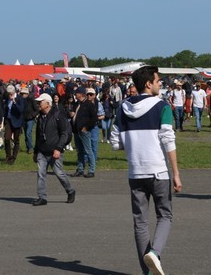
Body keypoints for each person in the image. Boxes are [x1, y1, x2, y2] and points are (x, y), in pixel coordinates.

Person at [109, 66, 182, 275]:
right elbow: (168, 140)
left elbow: (114, 143)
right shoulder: (162, 107)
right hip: (158, 171)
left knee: (140, 222)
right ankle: (155, 253)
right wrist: (176, 173)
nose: (160, 83)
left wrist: (133, 141)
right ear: (148, 83)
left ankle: (147, 271)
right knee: (165, 216)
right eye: (158, 80)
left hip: (135, 172)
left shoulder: (123, 108)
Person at [31, 93, 76, 206]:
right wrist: (36, 152)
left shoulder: (58, 115)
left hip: (55, 150)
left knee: (59, 173)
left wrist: (58, 148)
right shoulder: (40, 116)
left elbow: (65, 133)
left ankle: (70, 191)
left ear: (47, 103)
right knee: (41, 173)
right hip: (42, 150)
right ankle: (42, 197)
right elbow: (38, 135)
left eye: (40, 102)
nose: (38, 104)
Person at [70, 86, 98, 178]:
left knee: (88, 150)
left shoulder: (89, 104)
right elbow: (73, 114)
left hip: (84, 131)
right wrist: (71, 114)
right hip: (76, 130)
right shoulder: (76, 104)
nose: (75, 95)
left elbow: (94, 119)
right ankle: (80, 169)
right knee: (79, 151)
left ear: (81, 94)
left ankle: (91, 170)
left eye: (76, 93)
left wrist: (86, 127)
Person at [3, 84, 25, 164]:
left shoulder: (20, 99)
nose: (10, 95)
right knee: (7, 138)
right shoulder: (7, 98)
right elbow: (5, 108)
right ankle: (8, 156)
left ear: (14, 92)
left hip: (17, 121)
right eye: (9, 93)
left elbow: (21, 110)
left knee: (16, 140)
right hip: (8, 120)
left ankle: (13, 157)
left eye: (11, 93)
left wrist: (14, 102)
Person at [21, 87, 40, 154]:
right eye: (22, 93)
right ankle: (28, 147)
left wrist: (33, 115)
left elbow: (37, 110)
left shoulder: (32, 100)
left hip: (30, 119)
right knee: (26, 134)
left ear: (27, 94)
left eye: (24, 93)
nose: (23, 95)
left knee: (28, 132)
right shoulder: (21, 100)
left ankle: (31, 148)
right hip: (23, 119)